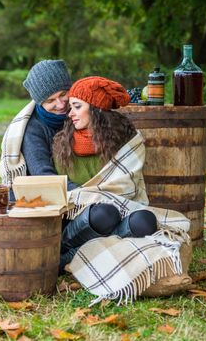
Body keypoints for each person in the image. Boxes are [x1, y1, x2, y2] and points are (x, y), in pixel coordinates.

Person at [53, 76, 160, 272]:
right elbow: (66, 194)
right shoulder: (63, 144)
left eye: (77, 106)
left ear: (95, 108)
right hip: (79, 221)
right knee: (104, 213)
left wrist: (106, 198)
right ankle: (61, 257)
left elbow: (128, 186)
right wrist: (95, 198)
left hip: (122, 211)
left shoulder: (126, 142)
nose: (70, 114)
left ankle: (74, 259)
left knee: (145, 221)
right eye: (71, 107)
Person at [0, 59, 78, 200]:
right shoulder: (33, 129)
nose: (60, 105)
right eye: (50, 100)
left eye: (63, 94)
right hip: (42, 194)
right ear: (40, 103)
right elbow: (43, 175)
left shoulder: (81, 113)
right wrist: (85, 192)